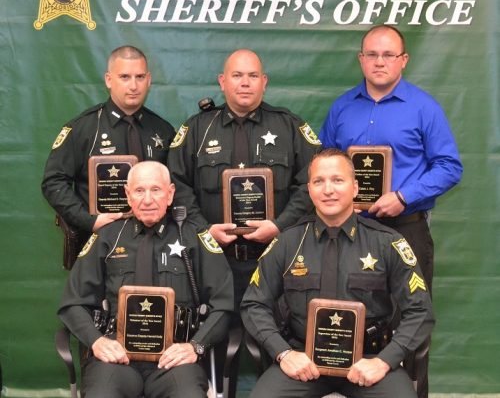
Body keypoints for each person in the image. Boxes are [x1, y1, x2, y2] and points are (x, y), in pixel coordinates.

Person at [318, 25, 462, 397]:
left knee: (409, 323)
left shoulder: (424, 108)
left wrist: (404, 195)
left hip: (405, 229)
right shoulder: (342, 107)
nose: (379, 62)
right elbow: (325, 163)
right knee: (349, 319)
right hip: (349, 232)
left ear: (404, 60)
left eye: (388, 55)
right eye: (372, 54)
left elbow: (449, 166)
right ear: (361, 59)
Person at [240, 148, 434, 398]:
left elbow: (420, 310)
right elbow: (254, 304)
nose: (328, 189)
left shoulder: (387, 242)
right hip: (303, 361)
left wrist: (385, 361)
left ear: (355, 188)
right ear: (309, 189)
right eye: (318, 181)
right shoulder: (287, 243)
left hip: (370, 361)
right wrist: (284, 353)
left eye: (337, 180)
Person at [58, 161, 234, 398]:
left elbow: (223, 304)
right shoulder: (107, 238)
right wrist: (97, 342)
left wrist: (196, 346)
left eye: (156, 190)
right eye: (139, 191)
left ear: (170, 194)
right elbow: (73, 302)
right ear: (128, 196)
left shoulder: (195, 237)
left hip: (174, 357)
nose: (147, 199)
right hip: (117, 355)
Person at [167, 48, 321, 308]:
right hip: (213, 258)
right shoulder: (196, 129)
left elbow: (312, 183)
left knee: (271, 334)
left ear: (264, 82)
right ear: (222, 81)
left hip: (277, 258)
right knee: (215, 333)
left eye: (253, 75)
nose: (245, 82)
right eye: (237, 75)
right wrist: (204, 232)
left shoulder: (289, 126)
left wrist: (279, 225)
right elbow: (176, 186)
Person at [42, 45, 176, 267]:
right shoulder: (83, 128)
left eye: (140, 77)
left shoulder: (162, 130)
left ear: (149, 80)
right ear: (108, 79)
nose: (133, 85)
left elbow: (176, 186)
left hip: (155, 246)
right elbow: (53, 182)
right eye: (124, 77)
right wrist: (90, 221)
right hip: (99, 245)